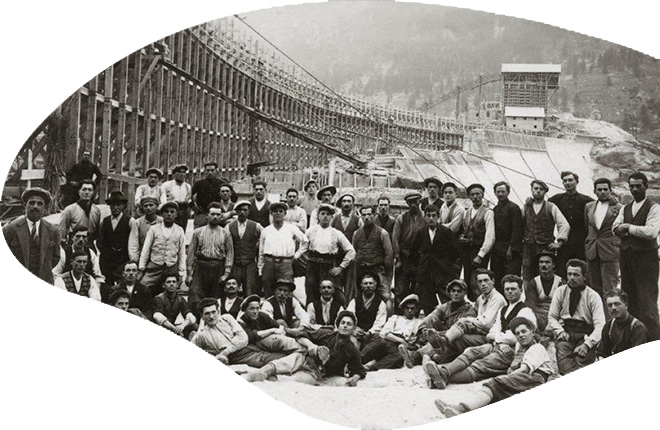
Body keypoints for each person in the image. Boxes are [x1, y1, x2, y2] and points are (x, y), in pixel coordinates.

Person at [422, 275, 536, 389]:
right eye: (507, 289)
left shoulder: (526, 311)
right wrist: (497, 338)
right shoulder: (503, 310)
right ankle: (444, 373)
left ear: (521, 290)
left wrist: (496, 337)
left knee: (480, 365)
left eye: (513, 289)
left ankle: (440, 377)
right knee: (471, 351)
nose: (509, 292)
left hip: (513, 351)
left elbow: (515, 337)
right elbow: (492, 331)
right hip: (496, 345)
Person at [434, 316, 554, 417]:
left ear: (532, 332)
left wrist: (505, 379)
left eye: (524, 331)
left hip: (535, 379)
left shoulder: (537, 348)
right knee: (496, 393)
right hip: (526, 379)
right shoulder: (520, 348)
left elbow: (524, 370)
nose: (521, 335)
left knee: (496, 383)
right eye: (517, 334)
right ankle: (458, 407)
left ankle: (461, 409)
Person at [193, 298, 312, 383]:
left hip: (251, 345)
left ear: (218, 311)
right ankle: (305, 363)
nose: (212, 316)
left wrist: (224, 352)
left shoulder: (227, 318)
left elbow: (243, 338)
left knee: (286, 347)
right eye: (207, 314)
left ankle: (307, 354)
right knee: (281, 358)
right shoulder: (202, 335)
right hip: (241, 356)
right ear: (202, 316)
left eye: (214, 312)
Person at [613, 171, 660, 341]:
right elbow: (615, 227)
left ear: (645, 186)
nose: (634, 189)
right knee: (630, 301)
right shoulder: (626, 207)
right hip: (627, 258)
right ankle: (635, 342)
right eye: (631, 186)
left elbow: (651, 231)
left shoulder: (654, 207)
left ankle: (655, 341)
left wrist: (628, 228)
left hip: (646, 260)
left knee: (647, 305)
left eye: (638, 186)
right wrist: (624, 228)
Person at [424, 269, 506, 364]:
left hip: (490, 335)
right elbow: (475, 313)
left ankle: (439, 351)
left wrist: (467, 320)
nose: (483, 284)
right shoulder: (480, 299)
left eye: (486, 280)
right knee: (455, 335)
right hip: (479, 332)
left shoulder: (497, 298)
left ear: (493, 281)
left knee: (459, 331)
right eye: (480, 281)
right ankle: (424, 355)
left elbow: (487, 323)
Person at [399, 280, 476, 368]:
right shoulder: (446, 306)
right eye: (453, 291)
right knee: (432, 319)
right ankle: (418, 347)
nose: (456, 293)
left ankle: (415, 356)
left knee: (437, 350)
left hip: (455, 341)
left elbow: (460, 332)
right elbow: (432, 316)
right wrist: (425, 331)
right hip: (441, 336)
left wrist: (437, 334)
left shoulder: (469, 310)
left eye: (459, 291)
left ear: (465, 293)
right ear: (449, 293)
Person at [547, 259, 606, 375]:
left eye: (576, 275)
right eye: (569, 274)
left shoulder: (593, 296)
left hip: (586, 334)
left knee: (581, 363)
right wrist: (560, 332)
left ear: (584, 276)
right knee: (564, 366)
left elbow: (600, 325)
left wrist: (587, 344)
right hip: (566, 333)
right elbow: (552, 317)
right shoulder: (560, 292)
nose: (572, 278)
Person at [291, 310, 367, 386]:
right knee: (296, 379)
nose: (345, 326)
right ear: (338, 325)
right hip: (311, 368)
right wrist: (310, 345)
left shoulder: (352, 349)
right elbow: (301, 335)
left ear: (353, 328)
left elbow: (359, 369)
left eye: (349, 324)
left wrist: (355, 377)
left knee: (344, 383)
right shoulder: (326, 333)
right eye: (342, 323)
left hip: (330, 377)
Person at [301, 203, 355, 305]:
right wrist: (306, 263)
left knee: (335, 294)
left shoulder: (336, 233)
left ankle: (337, 316)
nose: (325, 216)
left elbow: (351, 251)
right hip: (312, 267)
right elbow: (302, 249)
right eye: (323, 213)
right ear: (318, 216)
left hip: (329, 267)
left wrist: (341, 267)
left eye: (328, 214)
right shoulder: (310, 231)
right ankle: (311, 317)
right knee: (311, 293)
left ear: (331, 217)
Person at [4, 187, 61, 284]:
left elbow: (56, 257)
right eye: (32, 202)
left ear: (44, 208)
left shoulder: (53, 231)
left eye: (40, 204)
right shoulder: (10, 229)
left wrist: (44, 271)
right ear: (25, 205)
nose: (35, 206)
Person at [186, 202, 234, 314]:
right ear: (208, 215)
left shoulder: (226, 233)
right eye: (213, 214)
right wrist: (189, 274)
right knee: (195, 294)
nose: (215, 217)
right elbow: (191, 253)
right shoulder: (198, 232)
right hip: (201, 267)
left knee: (216, 298)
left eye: (218, 215)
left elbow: (230, 254)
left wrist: (226, 274)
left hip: (218, 267)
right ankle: (196, 323)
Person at [412, 204, 460, 314]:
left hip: (443, 271)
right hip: (426, 272)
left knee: (447, 300)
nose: (431, 218)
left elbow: (455, 252)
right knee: (427, 302)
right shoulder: (420, 233)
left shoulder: (446, 232)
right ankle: (431, 324)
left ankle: (448, 322)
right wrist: (420, 266)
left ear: (438, 217)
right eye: (428, 216)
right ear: (424, 217)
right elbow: (414, 252)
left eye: (434, 216)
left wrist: (447, 266)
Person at [584, 178, 623, 312]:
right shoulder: (589, 206)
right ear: (594, 191)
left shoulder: (618, 207)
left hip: (610, 251)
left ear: (610, 190)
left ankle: (610, 321)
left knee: (610, 289)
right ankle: (597, 320)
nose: (602, 192)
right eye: (599, 189)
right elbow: (588, 227)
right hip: (592, 250)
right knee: (594, 288)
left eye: (605, 189)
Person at [521, 179, 570, 282]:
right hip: (528, 247)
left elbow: (564, 225)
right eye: (535, 188)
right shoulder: (526, 207)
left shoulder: (551, 207)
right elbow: (519, 225)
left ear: (545, 191)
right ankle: (529, 297)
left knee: (545, 273)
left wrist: (559, 243)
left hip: (545, 247)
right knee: (527, 272)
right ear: (531, 190)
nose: (538, 191)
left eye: (541, 189)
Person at [549, 171, 594, 279]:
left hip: (581, 243)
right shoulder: (556, 200)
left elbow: (601, 206)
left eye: (570, 180)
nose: (567, 183)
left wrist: (612, 200)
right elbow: (542, 207)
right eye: (565, 181)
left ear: (577, 182)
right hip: (564, 243)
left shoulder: (587, 201)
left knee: (582, 272)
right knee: (562, 271)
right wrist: (530, 201)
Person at [258, 202, 308, 298]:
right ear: (271, 214)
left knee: (285, 292)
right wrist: (260, 269)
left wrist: (296, 255)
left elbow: (305, 241)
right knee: (268, 292)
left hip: (285, 265)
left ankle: (285, 312)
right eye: (275, 211)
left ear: (285, 214)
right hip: (269, 263)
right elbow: (261, 251)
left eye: (281, 211)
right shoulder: (266, 230)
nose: (278, 213)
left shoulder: (291, 228)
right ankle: (269, 311)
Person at [362, 294, 422, 371]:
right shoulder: (395, 318)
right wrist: (400, 340)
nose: (410, 311)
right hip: (388, 343)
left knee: (399, 358)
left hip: (399, 349)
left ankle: (370, 368)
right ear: (403, 309)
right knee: (379, 342)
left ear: (416, 310)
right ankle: (357, 360)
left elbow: (419, 342)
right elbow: (385, 333)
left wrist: (409, 344)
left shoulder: (419, 322)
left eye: (412, 308)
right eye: (407, 308)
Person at [138, 201, 186, 297]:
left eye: (172, 212)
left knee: (171, 290)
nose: (169, 214)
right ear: (162, 214)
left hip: (171, 267)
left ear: (176, 214)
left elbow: (181, 252)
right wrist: (141, 268)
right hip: (155, 266)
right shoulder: (154, 229)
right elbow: (146, 250)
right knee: (142, 287)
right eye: (166, 212)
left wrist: (181, 273)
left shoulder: (179, 230)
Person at [458, 184, 495, 301]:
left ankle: (481, 306)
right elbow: (464, 230)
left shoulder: (488, 212)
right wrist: (462, 238)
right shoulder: (467, 212)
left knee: (479, 281)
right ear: (469, 196)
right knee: (468, 280)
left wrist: (481, 255)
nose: (475, 197)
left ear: (482, 195)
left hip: (479, 252)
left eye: (478, 194)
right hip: (467, 251)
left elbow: (490, 237)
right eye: (472, 194)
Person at [352, 205, 393, 306]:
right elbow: (354, 252)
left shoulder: (382, 233)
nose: (366, 217)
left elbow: (388, 255)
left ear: (374, 215)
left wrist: (387, 276)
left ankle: (389, 319)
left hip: (378, 270)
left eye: (369, 214)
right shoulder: (356, 234)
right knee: (358, 296)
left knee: (386, 296)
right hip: (361, 270)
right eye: (364, 215)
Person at [98, 191, 137, 288]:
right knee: (107, 284)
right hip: (107, 259)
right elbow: (101, 240)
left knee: (122, 284)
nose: (115, 208)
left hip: (122, 259)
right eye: (112, 205)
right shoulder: (105, 221)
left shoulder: (130, 221)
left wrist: (132, 259)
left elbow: (133, 241)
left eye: (118, 205)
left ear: (123, 206)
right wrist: (104, 254)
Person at [392, 192, 427, 301]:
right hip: (404, 258)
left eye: (415, 201)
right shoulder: (401, 218)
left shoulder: (426, 218)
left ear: (419, 202)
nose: (413, 205)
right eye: (410, 202)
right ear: (407, 203)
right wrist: (397, 258)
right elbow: (395, 238)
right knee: (401, 288)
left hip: (419, 258)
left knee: (418, 287)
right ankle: (398, 313)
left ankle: (414, 313)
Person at [598, 289, 649, 359]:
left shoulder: (637, 328)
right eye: (610, 305)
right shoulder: (609, 326)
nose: (613, 308)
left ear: (626, 305)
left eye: (617, 304)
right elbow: (602, 352)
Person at [491, 181, 523, 291]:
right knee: (497, 278)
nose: (500, 194)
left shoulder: (514, 208)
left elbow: (517, 230)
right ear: (495, 193)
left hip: (510, 249)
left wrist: (511, 248)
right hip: (497, 249)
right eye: (498, 191)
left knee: (511, 278)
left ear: (508, 192)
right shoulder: (495, 210)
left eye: (503, 191)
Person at [331, 193, 363, 300]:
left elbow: (361, 236)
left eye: (349, 201)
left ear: (353, 205)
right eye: (344, 201)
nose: (346, 204)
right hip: (336, 257)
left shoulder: (357, 219)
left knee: (350, 284)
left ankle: (349, 306)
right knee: (336, 282)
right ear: (340, 204)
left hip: (351, 258)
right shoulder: (334, 218)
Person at [227, 200, 262, 297]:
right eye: (240, 210)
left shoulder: (256, 226)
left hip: (250, 264)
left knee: (250, 290)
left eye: (245, 210)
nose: (242, 212)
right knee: (233, 290)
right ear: (236, 212)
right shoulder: (229, 226)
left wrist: (258, 244)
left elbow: (264, 237)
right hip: (235, 263)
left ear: (248, 211)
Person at [524, 251, 563, 331]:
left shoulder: (561, 282)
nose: (543, 265)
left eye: (547, 262)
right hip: (539, 315)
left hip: (556, 315)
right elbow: (531, 306)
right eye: (541, 262)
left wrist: (552, 322)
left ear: (553, 265)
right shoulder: (533, 283)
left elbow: (563, 306)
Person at [346, 273, 388, 346]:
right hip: (356, 333)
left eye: (371, 283)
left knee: (381, 342)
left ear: (375, 286)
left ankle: (361, 356)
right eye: (365, 283)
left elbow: (380, 322)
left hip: (371, 335)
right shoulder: (354, 301)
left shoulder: (381, 303)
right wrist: (354, 329)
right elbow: (349, 316)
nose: (368, 286)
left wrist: (369, 333)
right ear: (361, 286)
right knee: (351, 342)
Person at [152, 274, 197, 339]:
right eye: (168, 282)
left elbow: (191, 317)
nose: (171, 284)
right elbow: (157, 316)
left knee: (194, 326)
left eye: (174, 282)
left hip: (173, 327)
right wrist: (174, 329)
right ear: (163, 285)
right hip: (161, 327)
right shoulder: (159, 298)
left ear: (177, 285)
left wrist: (182, 326)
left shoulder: (180, 299)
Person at [59, 179, 101, 245]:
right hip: (75, 245)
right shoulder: (69, 210)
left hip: (90, 245)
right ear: (79, 192)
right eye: (84, 189)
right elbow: (61, 232)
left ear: (93, 193)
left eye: (90, 190)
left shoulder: (96, 210)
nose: (87, 192)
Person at [191, 161, 227, 229]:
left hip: (216, 214)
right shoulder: (199, 184)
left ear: (216, 171)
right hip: (201, 214)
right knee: (198, 233)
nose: (210, 172)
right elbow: (189, 196)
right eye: (208, 170)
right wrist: (194, 207)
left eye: (212, 170)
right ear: (204, 171)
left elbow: (233, 197)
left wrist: (224, 208)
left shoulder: (222, 183)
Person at [128, 196, 162, 263]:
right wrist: (134, 260)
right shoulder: (138, 223)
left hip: (158, 258)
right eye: (145, 206)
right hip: (142, 258)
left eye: (151, 205)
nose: (148, 208)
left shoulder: (162, 222)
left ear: (156, 206)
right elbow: (133, 242)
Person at [160, 164, 191, 230]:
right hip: (171, 209)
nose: (182, 174)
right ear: (174, 174)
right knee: (170, 229)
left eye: (183, 172)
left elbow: (189, 198)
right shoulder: (167, 185)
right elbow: (162, 199)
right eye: (179, 172)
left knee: (182, 230)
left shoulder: (187, 186)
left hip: (183, 210)